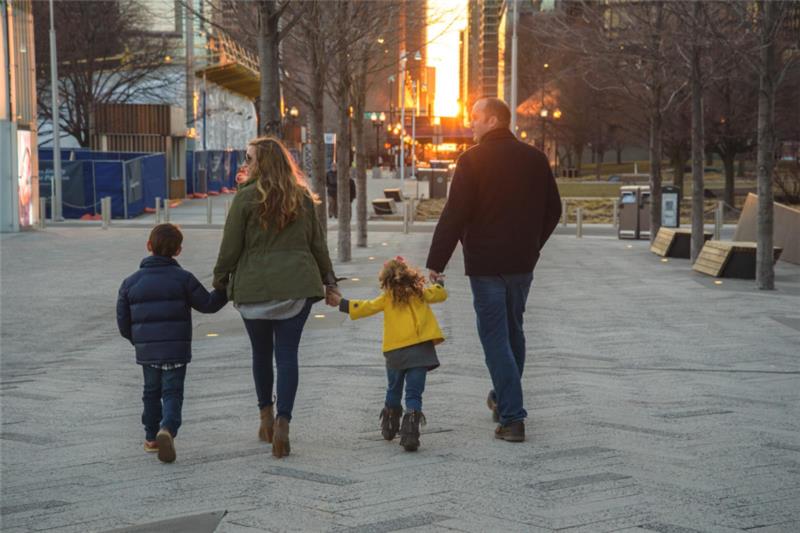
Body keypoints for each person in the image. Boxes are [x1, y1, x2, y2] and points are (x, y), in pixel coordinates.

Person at [425, 97, 562, 443]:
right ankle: (503, 400)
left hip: (486, 265)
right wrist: (533, 244)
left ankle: (514, 418)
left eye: (475, 118)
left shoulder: (472, 160)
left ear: (493, 120)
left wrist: (435, 263)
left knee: (495, 338)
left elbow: (454, 214)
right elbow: (555, 210)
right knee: (513, 330)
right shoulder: (535, 159)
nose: (470, 124)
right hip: (521, 263)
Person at [213, 136, 338, 458]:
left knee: (260, 354)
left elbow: (231, 246)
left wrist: (221, 278)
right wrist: (329, 280)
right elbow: (317, 245)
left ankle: (265, 419)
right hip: (297, 285)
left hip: (254, 288)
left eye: (251, 157)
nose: (247, 162)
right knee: (287, 356)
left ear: (262, 162)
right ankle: (284, 422)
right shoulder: (301, 198)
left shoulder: (244, 199)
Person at [116, 223, 228, 463]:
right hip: (176, 350)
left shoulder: (130, 283)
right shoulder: (183, 279)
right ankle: (168, 428)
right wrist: (225, 288)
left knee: (150, 393)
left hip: (148, 351)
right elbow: (208, 304)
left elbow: (123, 322)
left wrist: (138, 341)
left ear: (148, 246)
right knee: (173, 392)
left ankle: (151, 437)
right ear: (178, 251)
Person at [328, 257, 447, 452]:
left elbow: (366, 306)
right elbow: (439, 294)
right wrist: (439, 282)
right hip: (420, 352)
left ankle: (390, 425)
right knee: (414, 393)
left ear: (386, 280)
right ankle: (411, 432)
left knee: (393, 389)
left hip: (396, 352)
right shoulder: (420, 293)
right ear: (411, 276)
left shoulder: (387, 298)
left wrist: (341, 303)